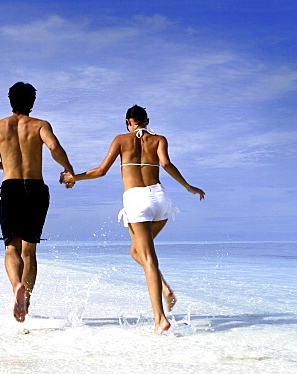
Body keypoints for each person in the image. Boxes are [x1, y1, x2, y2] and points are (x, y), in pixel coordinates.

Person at [61, 105, 204, 334]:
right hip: (160, 198)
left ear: (129, 121)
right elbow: (166, 164)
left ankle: (160, 319)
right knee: (136, 252)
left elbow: (101, 170)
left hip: (136, 200)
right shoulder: (159, 140)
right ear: (146, 121)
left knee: (148, 259)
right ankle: (165, 288)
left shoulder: (121, 139)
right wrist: (188, 187)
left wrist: (73, 177)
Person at [0, 82, 74, 323]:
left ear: (10, 100)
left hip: (10, 187)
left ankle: (16, 288)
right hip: (36, 188)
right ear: (32, 102)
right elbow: (54, 146)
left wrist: (8, 166)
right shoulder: (41, 125)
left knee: (12, 247)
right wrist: (68, 169)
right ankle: (27, 300)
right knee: (29, 250)